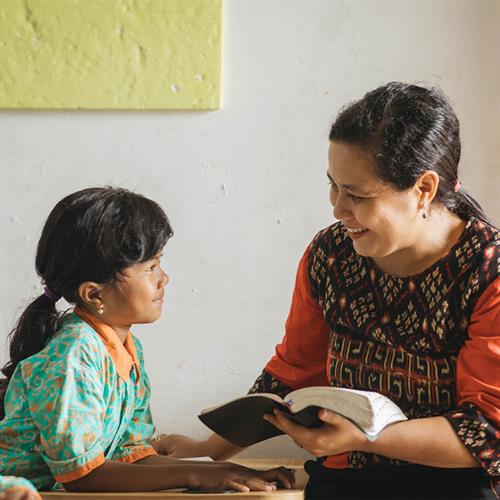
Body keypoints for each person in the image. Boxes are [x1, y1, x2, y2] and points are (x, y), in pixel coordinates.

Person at [154, 83, 499, 499]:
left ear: (423, 189)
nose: (337, 208)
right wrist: (210, 449)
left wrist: (365, 438)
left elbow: (486, 432)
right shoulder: (331, 254)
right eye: (333, 185)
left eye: (356, 194)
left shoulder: (488, 271)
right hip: (344, 481)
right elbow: (296, 371)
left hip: (456, 486)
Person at [0, 187, 294, 493]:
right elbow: (83, 476)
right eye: (150, 267)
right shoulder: (73, 355)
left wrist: (226, 470)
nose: (163, 278)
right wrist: (201, 476)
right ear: (94, 293)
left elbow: (131, 457)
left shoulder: (127, 350)